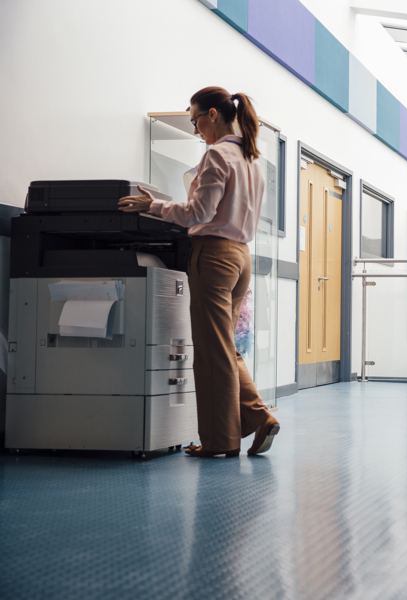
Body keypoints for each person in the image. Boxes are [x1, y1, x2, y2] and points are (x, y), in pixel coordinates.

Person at [119, 86, 280, 457]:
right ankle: (260, 417)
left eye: (195, 119)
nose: (195, 129)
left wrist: (153, 205)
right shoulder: (252, 159)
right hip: (241, 257)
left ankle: (218, 442)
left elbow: (197, 214)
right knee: (224, 346)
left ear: (211, 114)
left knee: (211, 353)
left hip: (214, 256)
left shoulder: (217, 155)